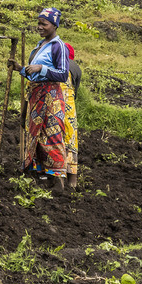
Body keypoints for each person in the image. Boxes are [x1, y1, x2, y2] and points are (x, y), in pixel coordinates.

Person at [10, 7, 73, 195]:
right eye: (38, 23)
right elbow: (33, 75)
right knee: (35, 136)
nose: (40, 27)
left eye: (44, 24)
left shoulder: (58, 46)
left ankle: (58, 181)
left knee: (51, 136)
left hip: (51, 97)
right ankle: (42, 177)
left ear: (54, 25)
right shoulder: (40, 45)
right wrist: (20, 68)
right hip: (37, 95)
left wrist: (41, 68)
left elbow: (62, 74)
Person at [62, 40, 83, 190]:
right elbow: (74, 92)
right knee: (71, 139)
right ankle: (72, 182)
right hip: (70, 107)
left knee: (55, 139)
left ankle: (58, 177)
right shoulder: (76, 68)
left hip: (55, 105)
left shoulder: (56, 65)